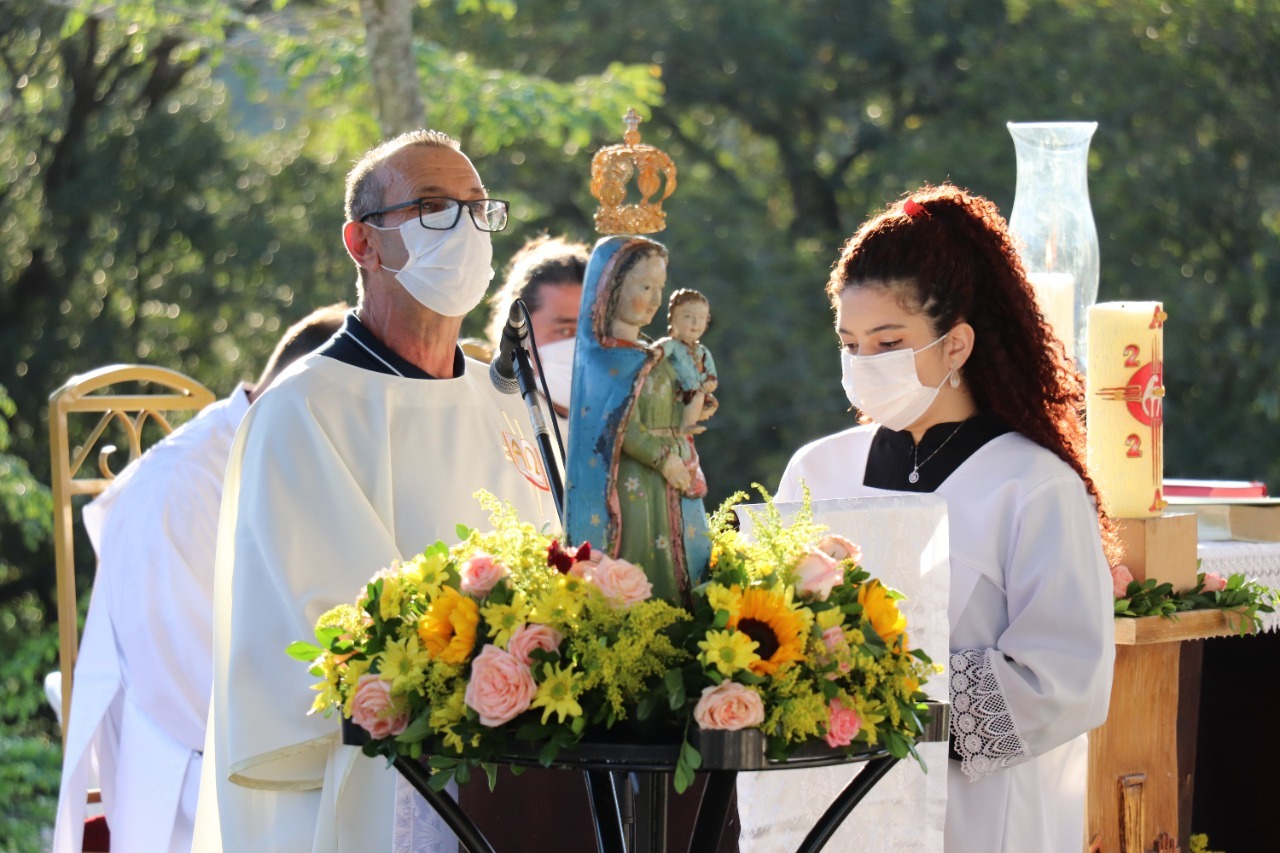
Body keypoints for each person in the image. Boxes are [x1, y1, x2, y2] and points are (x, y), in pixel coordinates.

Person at [192, 130, 559, 852]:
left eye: (478, 209)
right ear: (362, 242)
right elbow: (341, 619)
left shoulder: (502, 399)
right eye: (433, 206)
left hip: (526, 765)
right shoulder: (303, 410)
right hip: (379, 778)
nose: (464, 229)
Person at [774, 184, 1116, 852]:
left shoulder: (1033, 485)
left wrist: (889, 695)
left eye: (888, 342)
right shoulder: (816, 471)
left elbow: (1064, 677)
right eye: (850, 344)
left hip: (976, 816)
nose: (864, 365)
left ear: (956, 345)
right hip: (829, 810)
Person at [51, 303, 348, 853]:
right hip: (202, 780)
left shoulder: (298, 460)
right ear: (298, 393)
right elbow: (187, 689)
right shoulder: (179, 487)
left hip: (296, 740)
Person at [563, 236, 710, 607]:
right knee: (647, 565)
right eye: (645, 287)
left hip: (672, 478)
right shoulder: (606, 362)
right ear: (612, 290)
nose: (656, 299)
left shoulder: (653, 354)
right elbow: (619, 426)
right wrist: (664, 459)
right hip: (637, 486)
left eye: (660, 288)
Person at [485, 234, 589, 422]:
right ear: (519, 332)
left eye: (592, 330)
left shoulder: (617, 426)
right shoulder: (489, 415)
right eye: (565, 331)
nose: (583, 343)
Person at [656, 288, 718, 433]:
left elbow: (711, 374)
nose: (695, 323)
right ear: (673, 319)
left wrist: (710, 383)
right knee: (697, 397)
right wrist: (655, 354)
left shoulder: (703, 352)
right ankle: (687, 425)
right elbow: (658, 351)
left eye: (702, 318)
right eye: (688, 316)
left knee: (706, 400)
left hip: (698, 389)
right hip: (680, 389)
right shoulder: (673, 345)